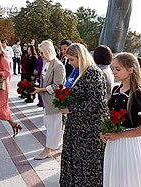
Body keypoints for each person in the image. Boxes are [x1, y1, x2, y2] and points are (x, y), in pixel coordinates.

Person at [102, 52, 141, 187]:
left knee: (128, 180)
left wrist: (120, 134)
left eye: (118, 69)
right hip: (114, 144)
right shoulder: (115, 90)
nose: (113, 72)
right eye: (113, 68)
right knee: (115, 179)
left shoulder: (139, 94)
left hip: (130, 145)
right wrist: (105, 132)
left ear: (131, 69)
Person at [59, 43, 108, 186]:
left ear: (81, 57)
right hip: (76, 126)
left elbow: (97, 102)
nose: (69, 63)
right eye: (68, 59)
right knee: (74, 160)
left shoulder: (93, 73)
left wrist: (71, 109)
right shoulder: (78, 72)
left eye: (72, 59)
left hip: (89, 129)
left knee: (87, 164)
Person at [31, 40, 65, 160]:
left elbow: (58, 85)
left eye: (42, 52)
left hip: (54, 101)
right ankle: (53, 147)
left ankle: (48, 149)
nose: (40, 55)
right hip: (47, 101)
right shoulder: (46, 63)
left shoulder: (58, 65)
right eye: (40, 53)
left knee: (53, 126)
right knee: (49, 124)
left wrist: (42, 89)